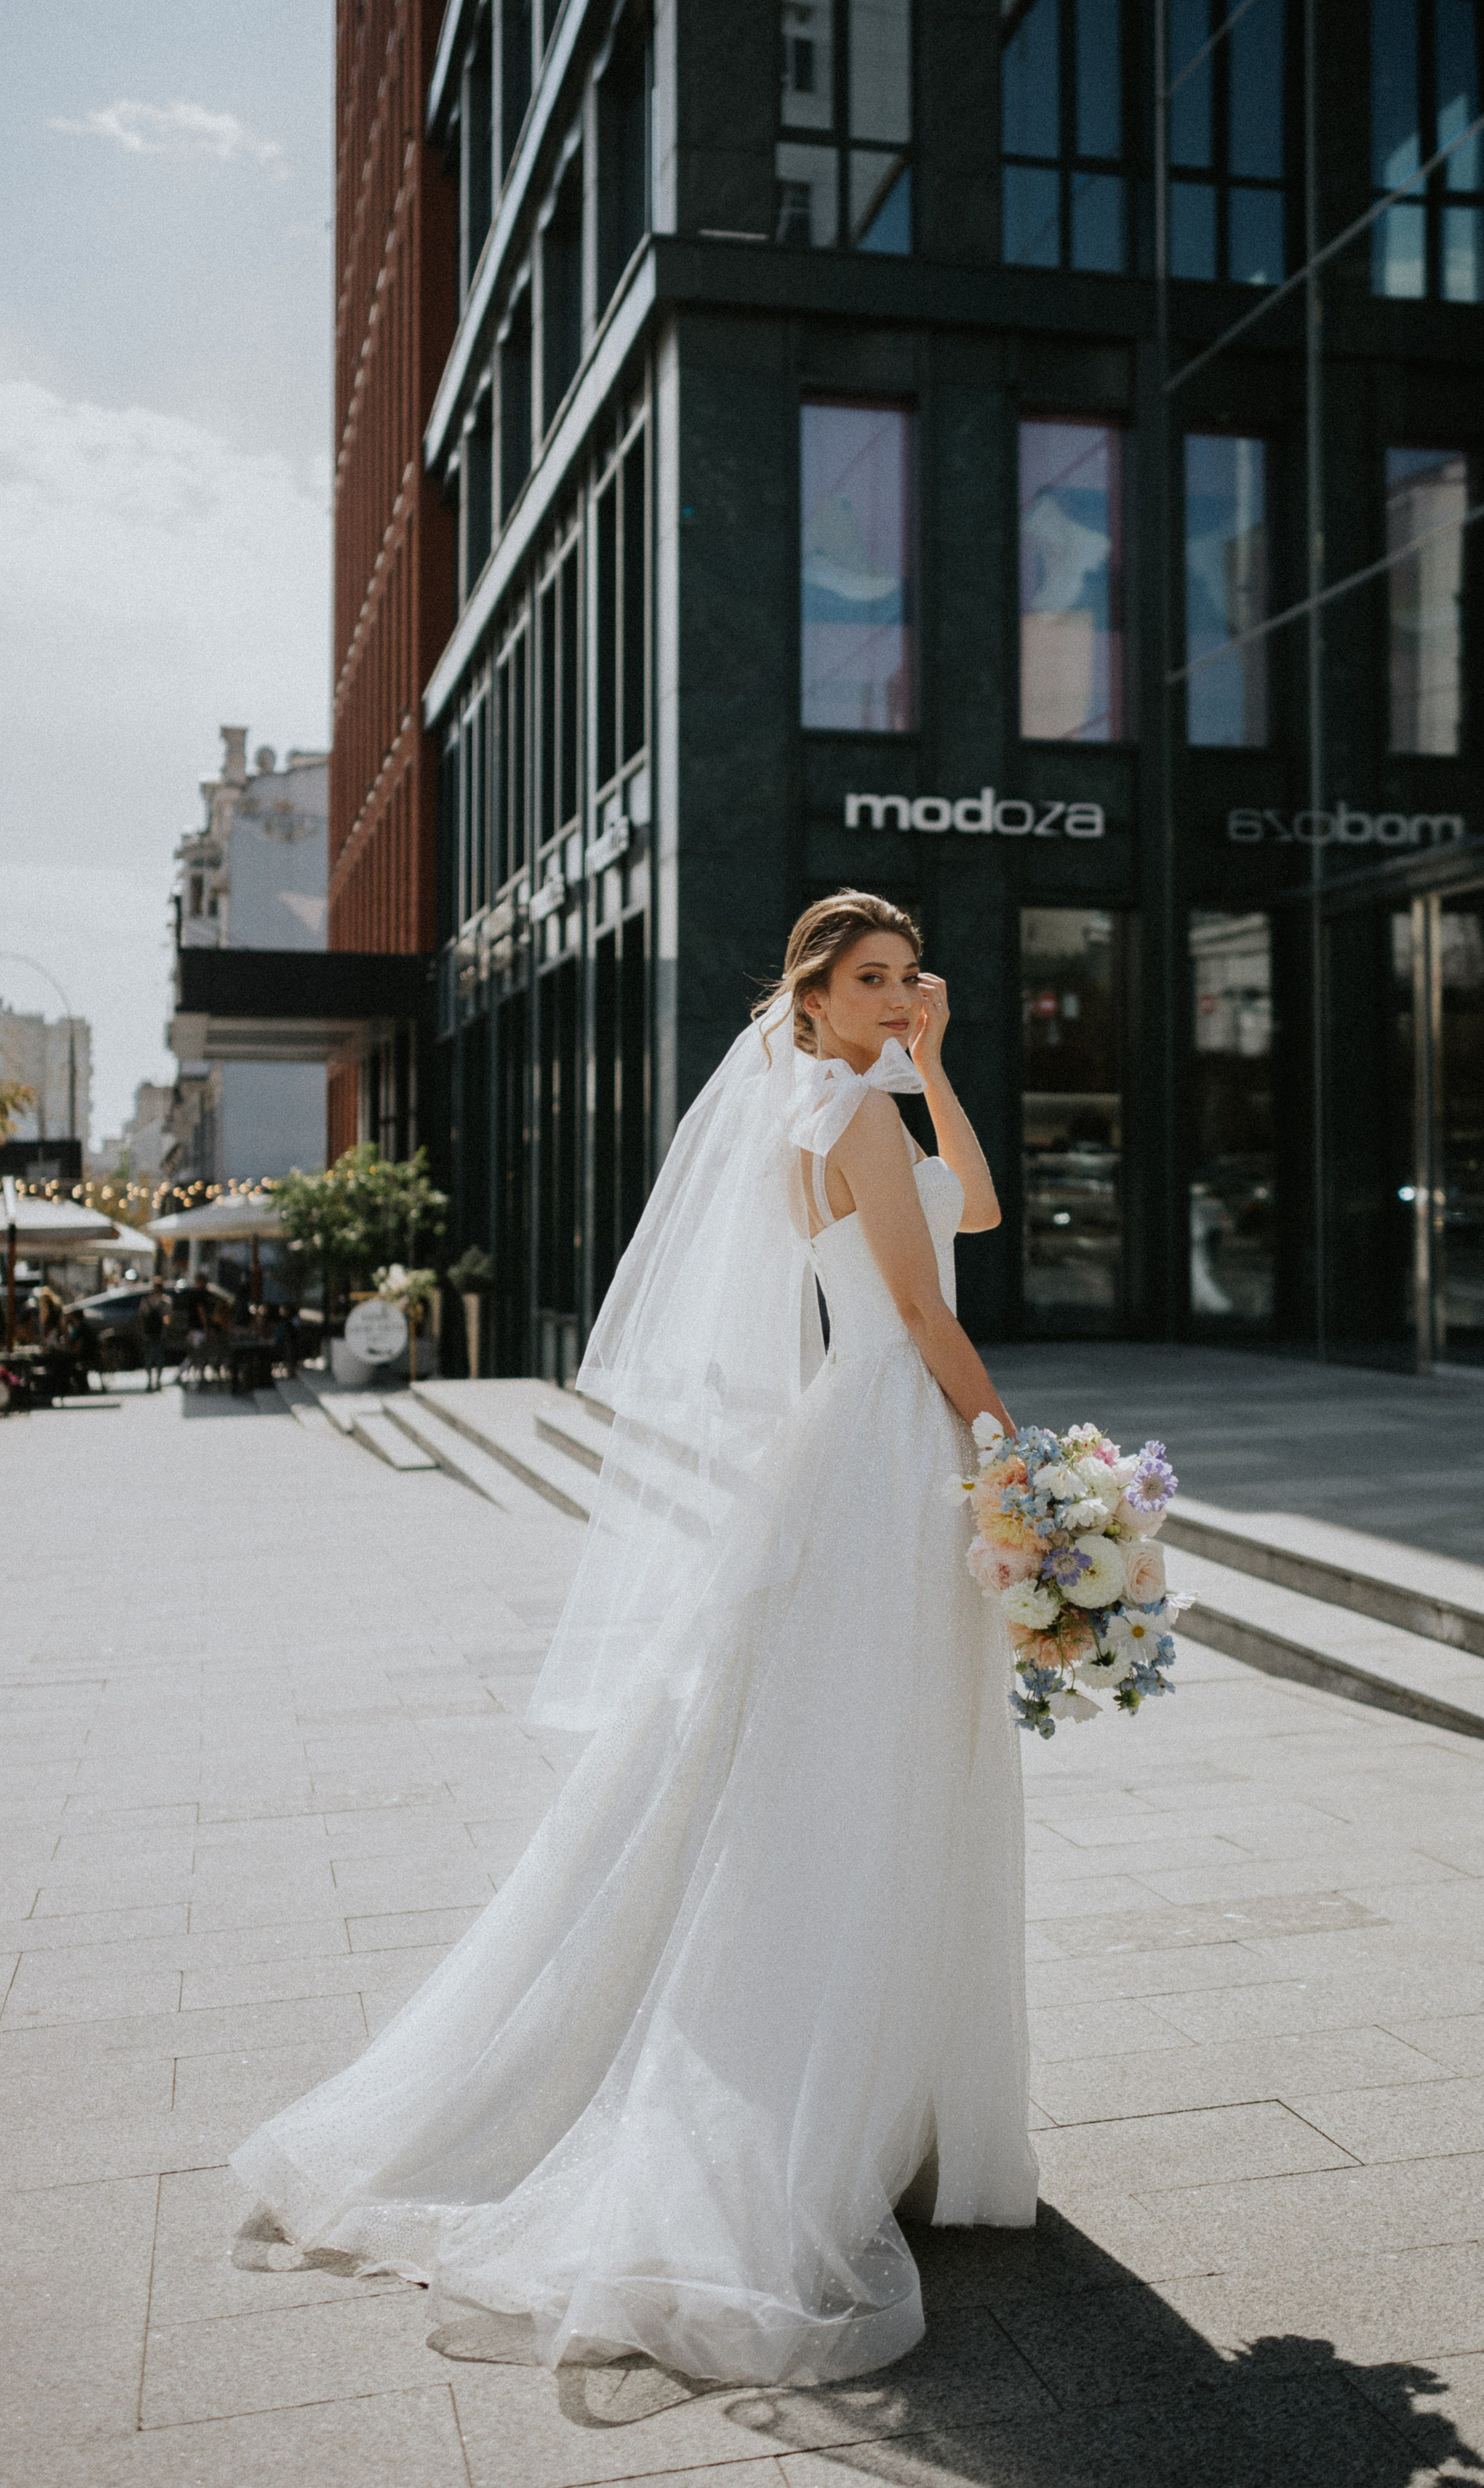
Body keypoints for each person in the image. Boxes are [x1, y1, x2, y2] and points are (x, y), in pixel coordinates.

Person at [232, 890, 1036, 2387]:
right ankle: (814, 2097)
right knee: (872, 1753)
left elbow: (975, 1210)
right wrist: (1016, 1462)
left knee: (869, 1743)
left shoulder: (846, 1106)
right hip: (888, 1434)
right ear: (810, 996)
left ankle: (875, 2095)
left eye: (909, 976)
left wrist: (935, 1068)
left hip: (863, 1435)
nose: (895, 996)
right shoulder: (846, 1117)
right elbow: (926, 1317)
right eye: (870, 979)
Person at [138, 1280, 170, 1391]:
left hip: (148, 1333)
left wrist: (144, 1329)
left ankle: (149, 1381)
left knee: (149, 1357)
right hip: (160, 1333)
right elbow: (168, 1318)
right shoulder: (166, 1301)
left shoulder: (146, 1300)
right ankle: (158, 1381)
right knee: (159, 1357)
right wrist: (165, 1327)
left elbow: (141, 1316)